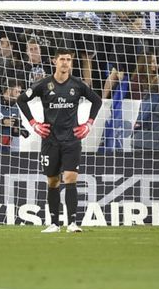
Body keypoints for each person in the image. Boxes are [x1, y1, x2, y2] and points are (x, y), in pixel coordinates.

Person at [16, 48, 102, 233]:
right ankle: (54, 223)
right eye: (62, 59)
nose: (65, 62)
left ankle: (72, 223)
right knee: (53, 181)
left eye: (68, 59)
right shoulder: (44, 84)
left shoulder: (78, 85)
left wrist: (88, 124)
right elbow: (21, 100)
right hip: (50, 140)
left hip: (72, 140)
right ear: (54, 61)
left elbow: (97, 101)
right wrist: (34, 124)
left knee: (70, 178)